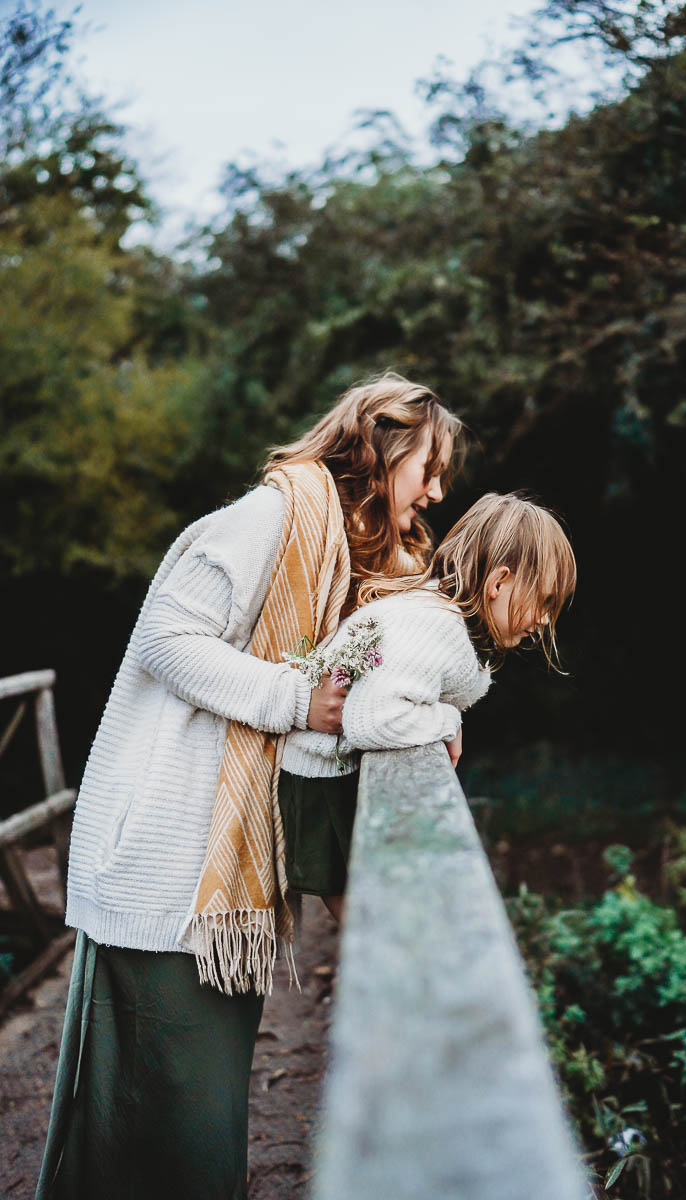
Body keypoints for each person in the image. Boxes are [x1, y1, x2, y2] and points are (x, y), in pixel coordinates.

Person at [36, 371, 464, 1200]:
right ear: (381, 451)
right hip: (166, 871)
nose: (438, 489)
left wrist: (439, 708)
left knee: (186, 1125)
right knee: (168, 1136)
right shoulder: (271, 517)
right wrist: (291, 699)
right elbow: (167, 636)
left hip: (207, 879)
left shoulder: (334, 551)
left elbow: (376, 667)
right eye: (428, 467)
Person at [277, 491, 577, 925]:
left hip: (328, 771)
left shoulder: (444, 615)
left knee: (382, 922)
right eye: (544, 602)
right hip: (322, 776)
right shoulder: (439, 627)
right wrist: (447, 720)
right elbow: (372, 720)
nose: (545, 620)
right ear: (498, 583)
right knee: (377, 924)